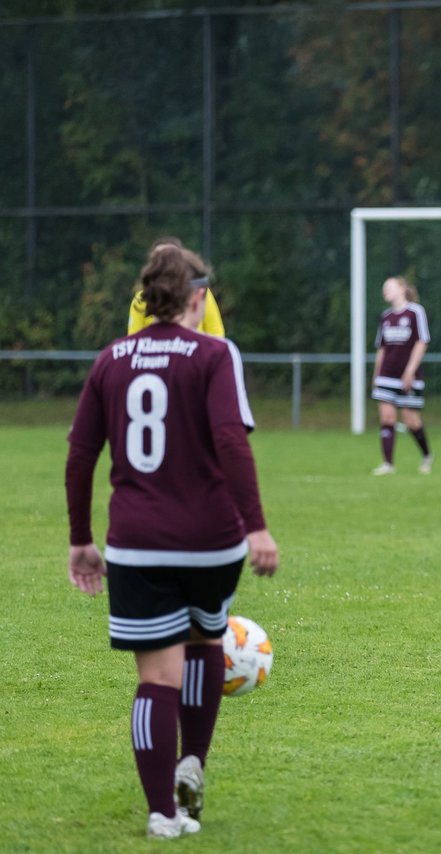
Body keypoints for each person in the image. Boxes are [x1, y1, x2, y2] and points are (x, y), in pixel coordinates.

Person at [65, 243, 279, 839]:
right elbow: (232, 440)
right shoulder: (215, 353)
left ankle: (162, 813)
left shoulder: (112, 359)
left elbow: (81, 453)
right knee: (206, 639)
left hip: (137, 542)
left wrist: (81, 538)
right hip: (213, 541)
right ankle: (194, 763)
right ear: (196, 297)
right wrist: (256, 524)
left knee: (154, 677)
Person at [371, 276, 433, 475]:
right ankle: (388, 463)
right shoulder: (386, 316)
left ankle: (426, 455)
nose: (385, 291)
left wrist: (409, 371)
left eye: (388, 287)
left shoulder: (416, 312)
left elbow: (422, 342)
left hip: (408, 376)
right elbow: (381, 348)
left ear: (402, 288)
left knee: (411, 421)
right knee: (387, 417)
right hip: (386, 375)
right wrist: (376, 374)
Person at [128, 237, 225, 337]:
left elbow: (216, 332)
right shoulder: (142, 298)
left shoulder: (199, 292)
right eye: (158, 260)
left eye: (171, 259)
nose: (164, 265)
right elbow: (133, 336)